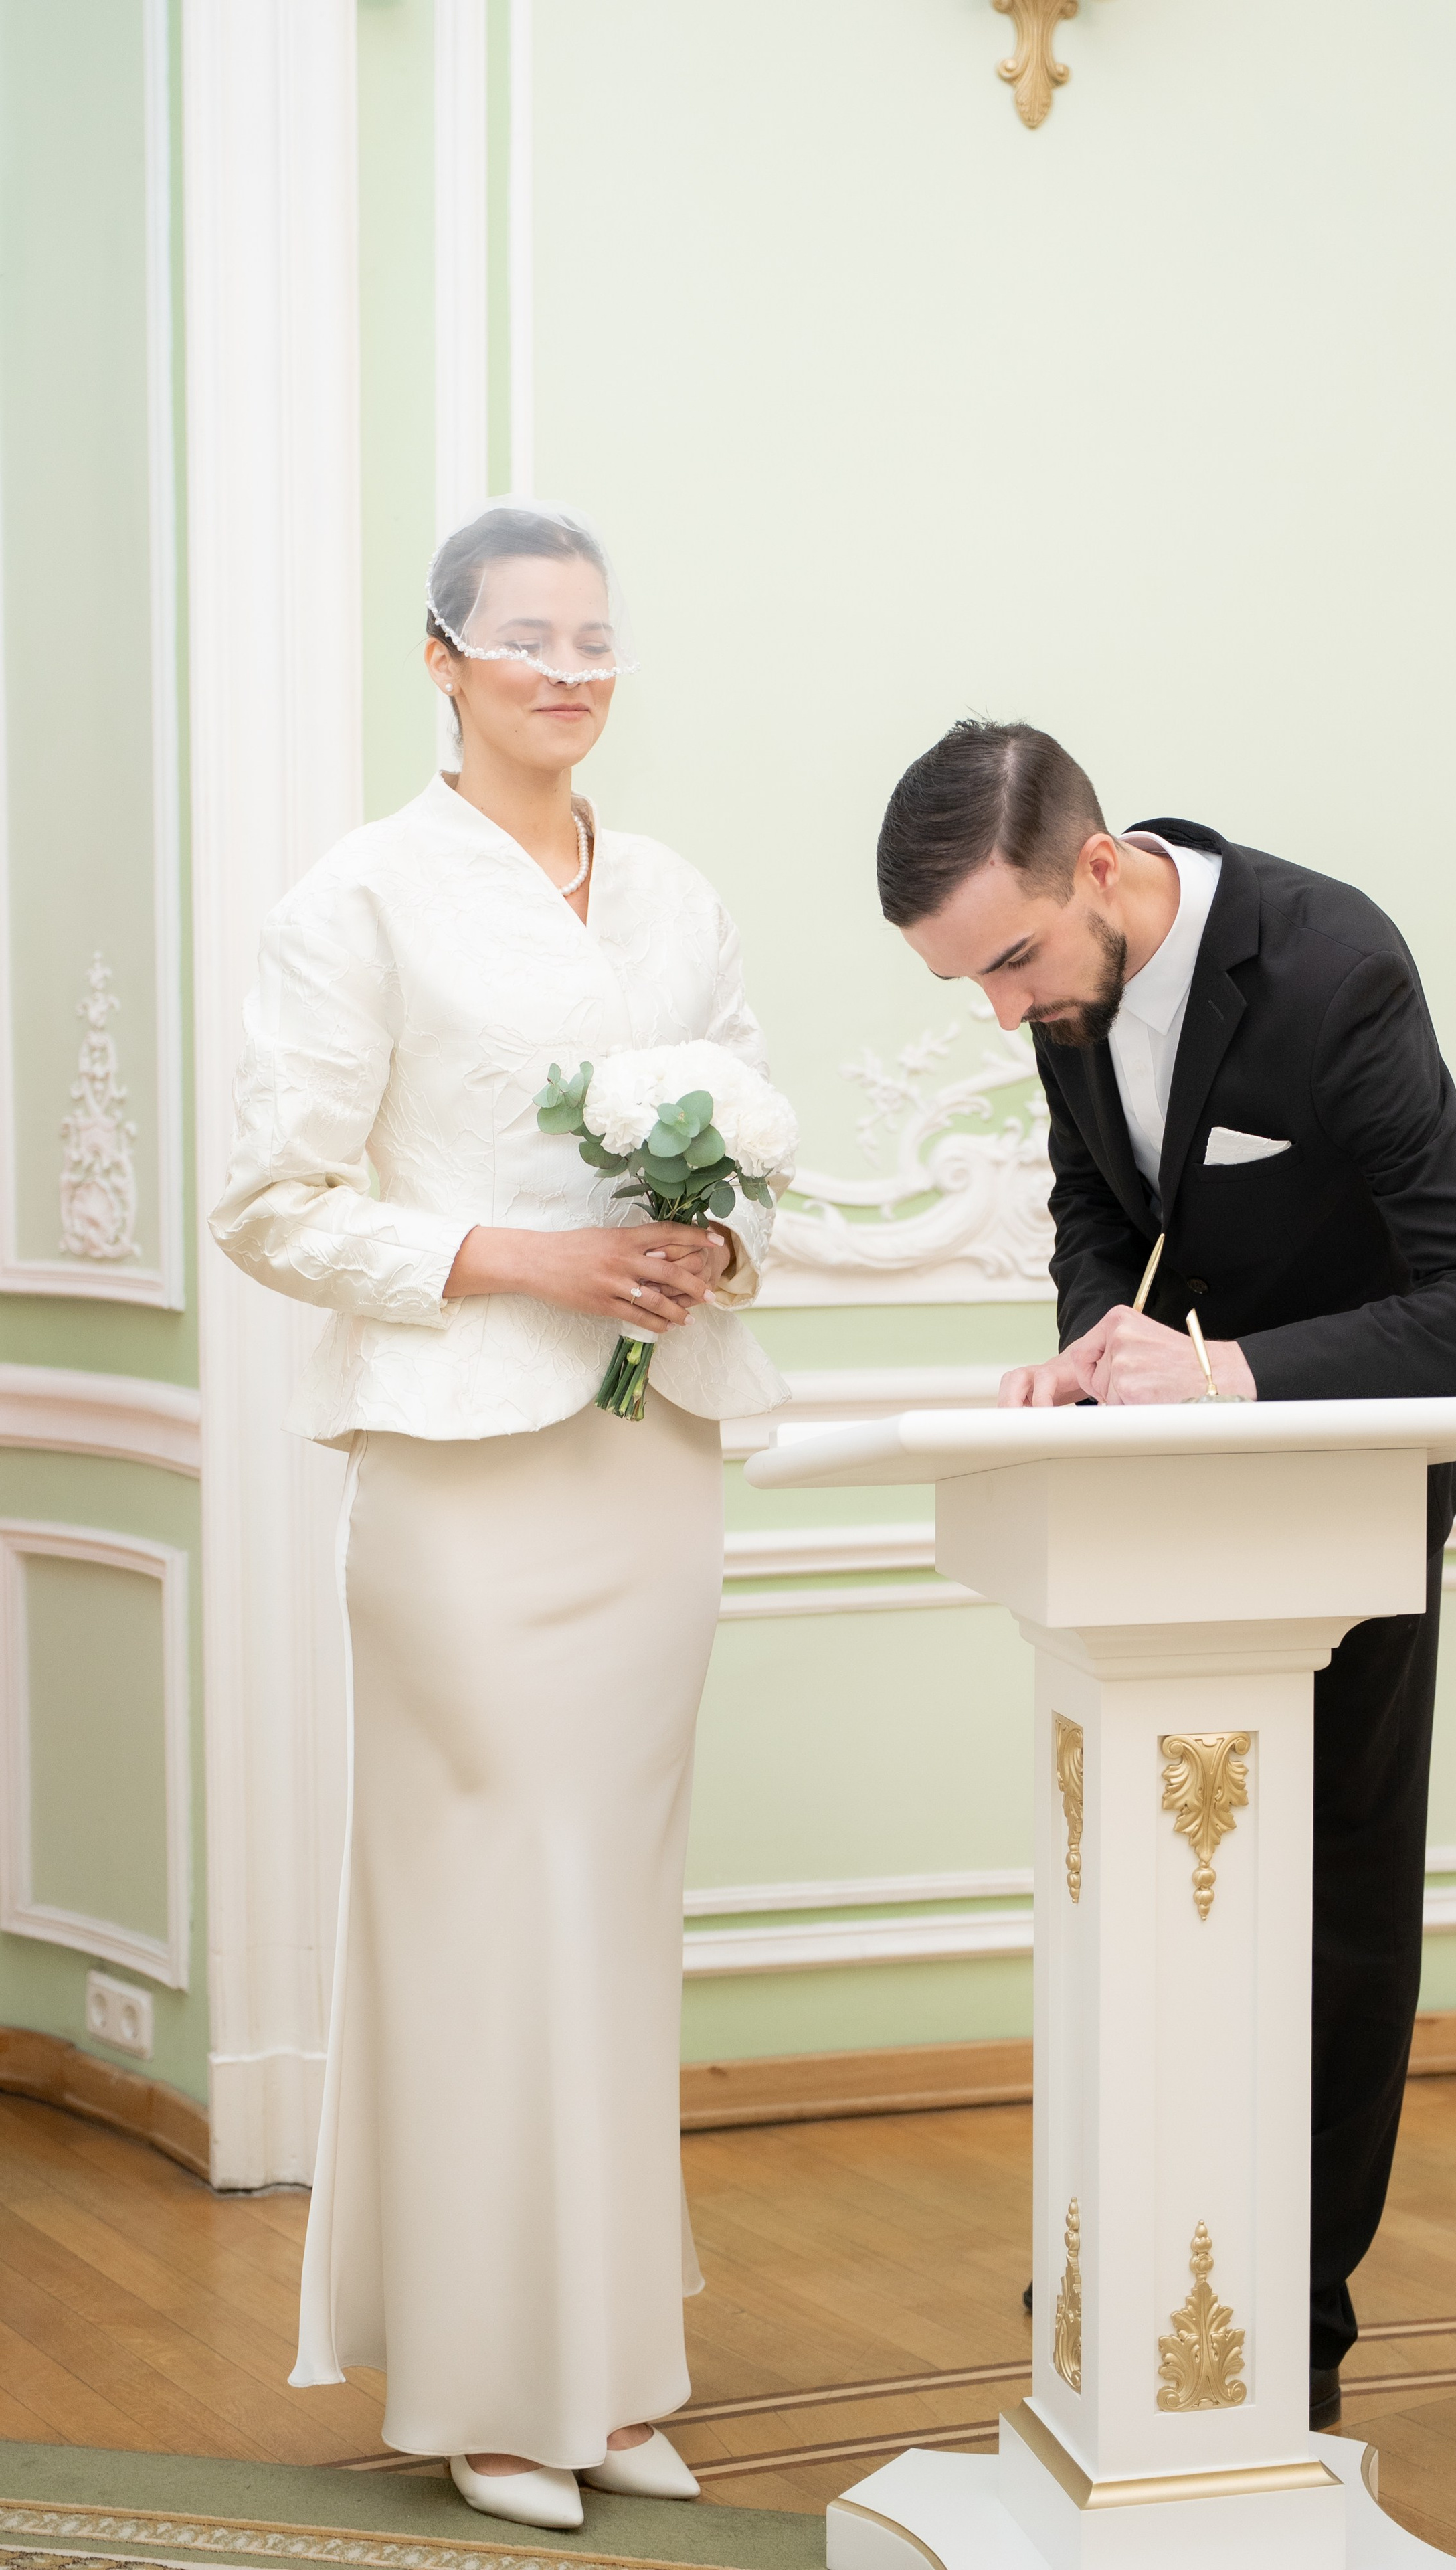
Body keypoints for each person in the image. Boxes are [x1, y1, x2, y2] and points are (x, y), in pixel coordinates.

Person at [210, 501, 788, 2531]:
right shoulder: (359, 898)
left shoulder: (681, 899)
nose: (570, 667)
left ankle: (616, 2373)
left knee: (615, 1913)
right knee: (486, 1916)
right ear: (441, 660)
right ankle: (484, 2388)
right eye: (527, 637)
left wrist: (709, 1254)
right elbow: (273, 1207)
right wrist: (518, 1267)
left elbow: (749, 1146)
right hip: (461, 1480)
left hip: (647, 1467)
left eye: (598, 639)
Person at [873, 718, 1456, 2426]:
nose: (1005, 1012)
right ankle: (1122, 2305)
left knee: (1326, 1917)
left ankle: (1283, 2348)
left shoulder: (1331, 965)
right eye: (969, 985)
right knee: (1149, 1905)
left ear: (1099, 869)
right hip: (1170, 1512)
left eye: (1012, 962)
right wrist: (1092, 1337)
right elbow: (1097, 1209)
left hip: (1343, 1494)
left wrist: (1229, 1375)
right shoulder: (1067, 991)